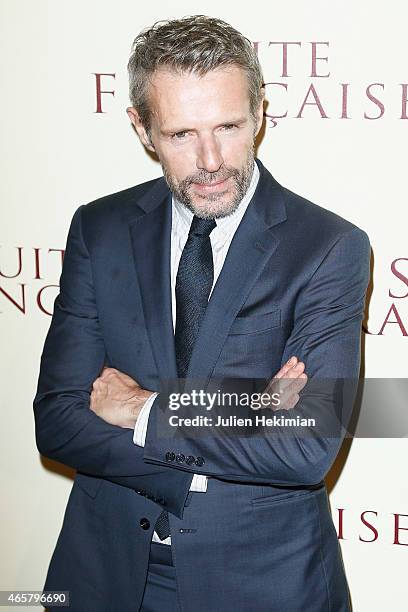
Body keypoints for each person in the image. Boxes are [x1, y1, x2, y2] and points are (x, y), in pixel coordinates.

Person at [33, 15, 370, 612]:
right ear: (142, 128)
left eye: (229, 126)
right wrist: (251, 410)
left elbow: (308, 447)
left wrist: (142, 409)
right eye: (182, 134)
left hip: (264, 581)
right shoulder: (100, 228)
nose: (211, 159)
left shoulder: (328, 247)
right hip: (107, 570)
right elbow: (58, 420)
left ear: (261, 112)